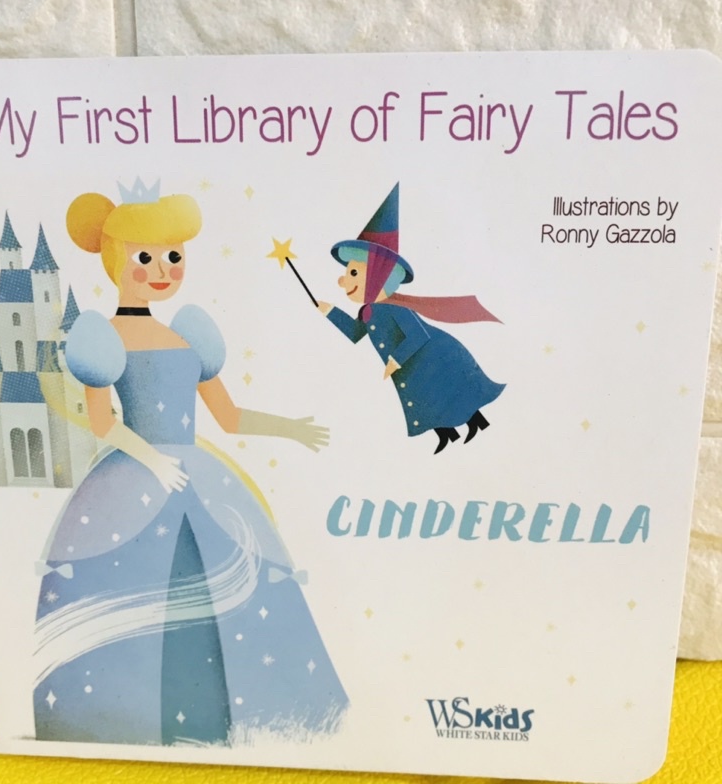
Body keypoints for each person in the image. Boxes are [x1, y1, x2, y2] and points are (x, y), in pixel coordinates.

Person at [33, 182, 347, 746]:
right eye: (145, 256)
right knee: (145, 583)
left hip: (197, 478)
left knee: (225, 580)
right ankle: (123, 719)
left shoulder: (186, 336)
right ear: (114, 259)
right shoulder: (104, 337)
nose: (162, 270)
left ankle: (234, 718)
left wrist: (290, 428)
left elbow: (228, 416)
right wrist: (151, 460)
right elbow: (103, 422)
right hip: (135, 480)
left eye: (173, 256)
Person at [317, 184, 505, 454]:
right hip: (412, 367)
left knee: (445, 393)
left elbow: (417, 335)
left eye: (353, 273)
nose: (343, 280)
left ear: (377, 274)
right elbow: (357, 334)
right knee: (427, 399)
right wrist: (330, 312)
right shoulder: (368, 312)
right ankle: (447, 435)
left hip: (432, 357)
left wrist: (395, 360)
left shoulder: (393, 308)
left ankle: (476, 425)